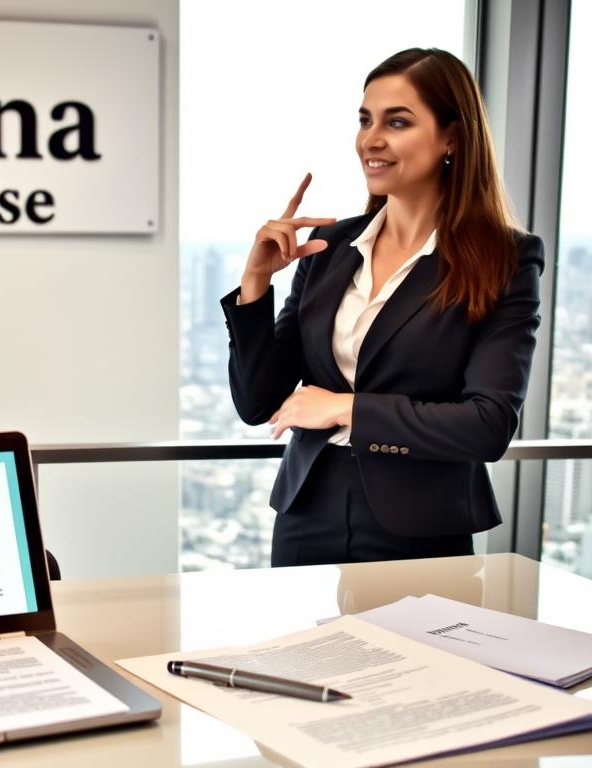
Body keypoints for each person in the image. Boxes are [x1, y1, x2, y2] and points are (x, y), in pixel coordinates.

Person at [220, 48, 543, 566]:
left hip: (422, 527)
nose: (371, 139)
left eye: (397, 122)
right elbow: (258, 402)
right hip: (307, 512)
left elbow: (488, 425)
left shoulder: (504, 259)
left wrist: (345, 407)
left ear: (452, 139)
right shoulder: (328, 247)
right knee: (302, 650)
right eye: (366, 120)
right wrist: (256, 280)